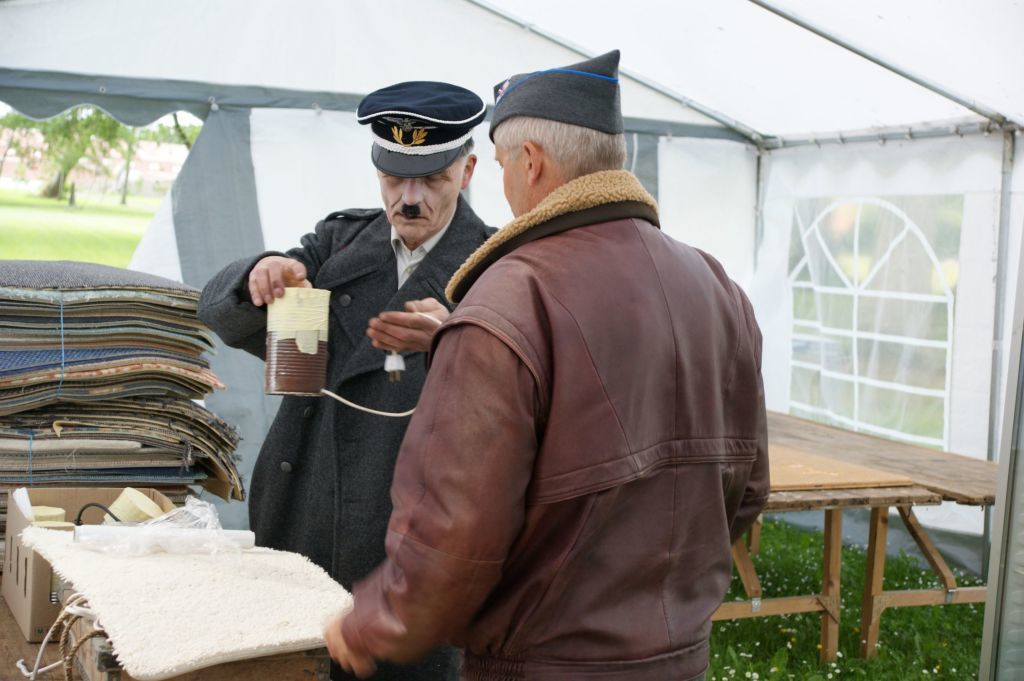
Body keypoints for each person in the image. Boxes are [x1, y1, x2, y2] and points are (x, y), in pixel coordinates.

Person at [324, 50, 770, 681]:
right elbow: (747, 490)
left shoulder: (509, 297)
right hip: (680, 657)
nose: (506, 182)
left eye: (502, 164)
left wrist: (378, 620)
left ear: (530, 162)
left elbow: (458, 523)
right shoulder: (718, 285)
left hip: (543, 663)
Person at [197, 81, 493, 681]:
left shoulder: (494, 267)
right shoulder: (339, 242)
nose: (409, 200)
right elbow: (223, 318)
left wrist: (457, 341)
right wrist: (259, 275)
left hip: (404, 542)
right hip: (302, 509)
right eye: (394, 179)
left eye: (431, 180)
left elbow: (517, 406)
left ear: (466, 172)